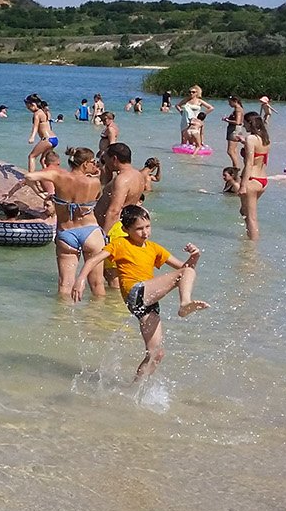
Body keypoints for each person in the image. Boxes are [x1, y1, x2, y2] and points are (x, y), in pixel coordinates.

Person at [107, 205, 208, 382]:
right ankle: (184, 304)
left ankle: (133, 389)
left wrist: (195, 256)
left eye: (147, 227)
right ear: (125, 229)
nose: (145, 232)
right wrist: (81, 278)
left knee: (156, 354)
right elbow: (95, 259)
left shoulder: (153, 248)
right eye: (139, 228)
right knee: (187, 274)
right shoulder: (120, 243)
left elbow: (185, 268)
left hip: (148, 303)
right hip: (136, 293)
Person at [20, 146, 107, 301]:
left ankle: (63, 321)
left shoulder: (59, 176)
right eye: (93, 162)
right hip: (91, 233)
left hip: (67, 233)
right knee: (97, 284)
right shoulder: (94, 182)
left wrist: (42, 194)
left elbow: (29, 176)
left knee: (64, 286)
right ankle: (98, 321)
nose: (95, 165)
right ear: (85, 164)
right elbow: (98, 196)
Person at [94, 142, 151, 243]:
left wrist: (104, 236)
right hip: (123, 226)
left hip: (114, 230)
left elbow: (114, 211)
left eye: (106, 158)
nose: (105, 162)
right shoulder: (138, 175)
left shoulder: (122, 179)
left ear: (114, 159)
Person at [237, 110, 271, 240]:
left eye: (245, 123)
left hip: (251, 179)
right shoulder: (265, 138)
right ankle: (247, 239)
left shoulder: (251, 139)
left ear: (249, 123)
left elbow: (249, 163)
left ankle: (252, 247)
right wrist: (244, 142)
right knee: (244, 212)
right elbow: (259, 156)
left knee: (251, 217)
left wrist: (243, 185)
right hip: (262, 179)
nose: (243, 125)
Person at [24, 95, 57, 170]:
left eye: (29, 107)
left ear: (33, 104)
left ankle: (31, 179)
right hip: (54, 139)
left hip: (47, 139)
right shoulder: (44, 111)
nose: (28, 109)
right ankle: (49, 177)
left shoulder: (37, 114)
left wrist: (32, 137)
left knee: (31, 156)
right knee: (43, 160)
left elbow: (35, 126)